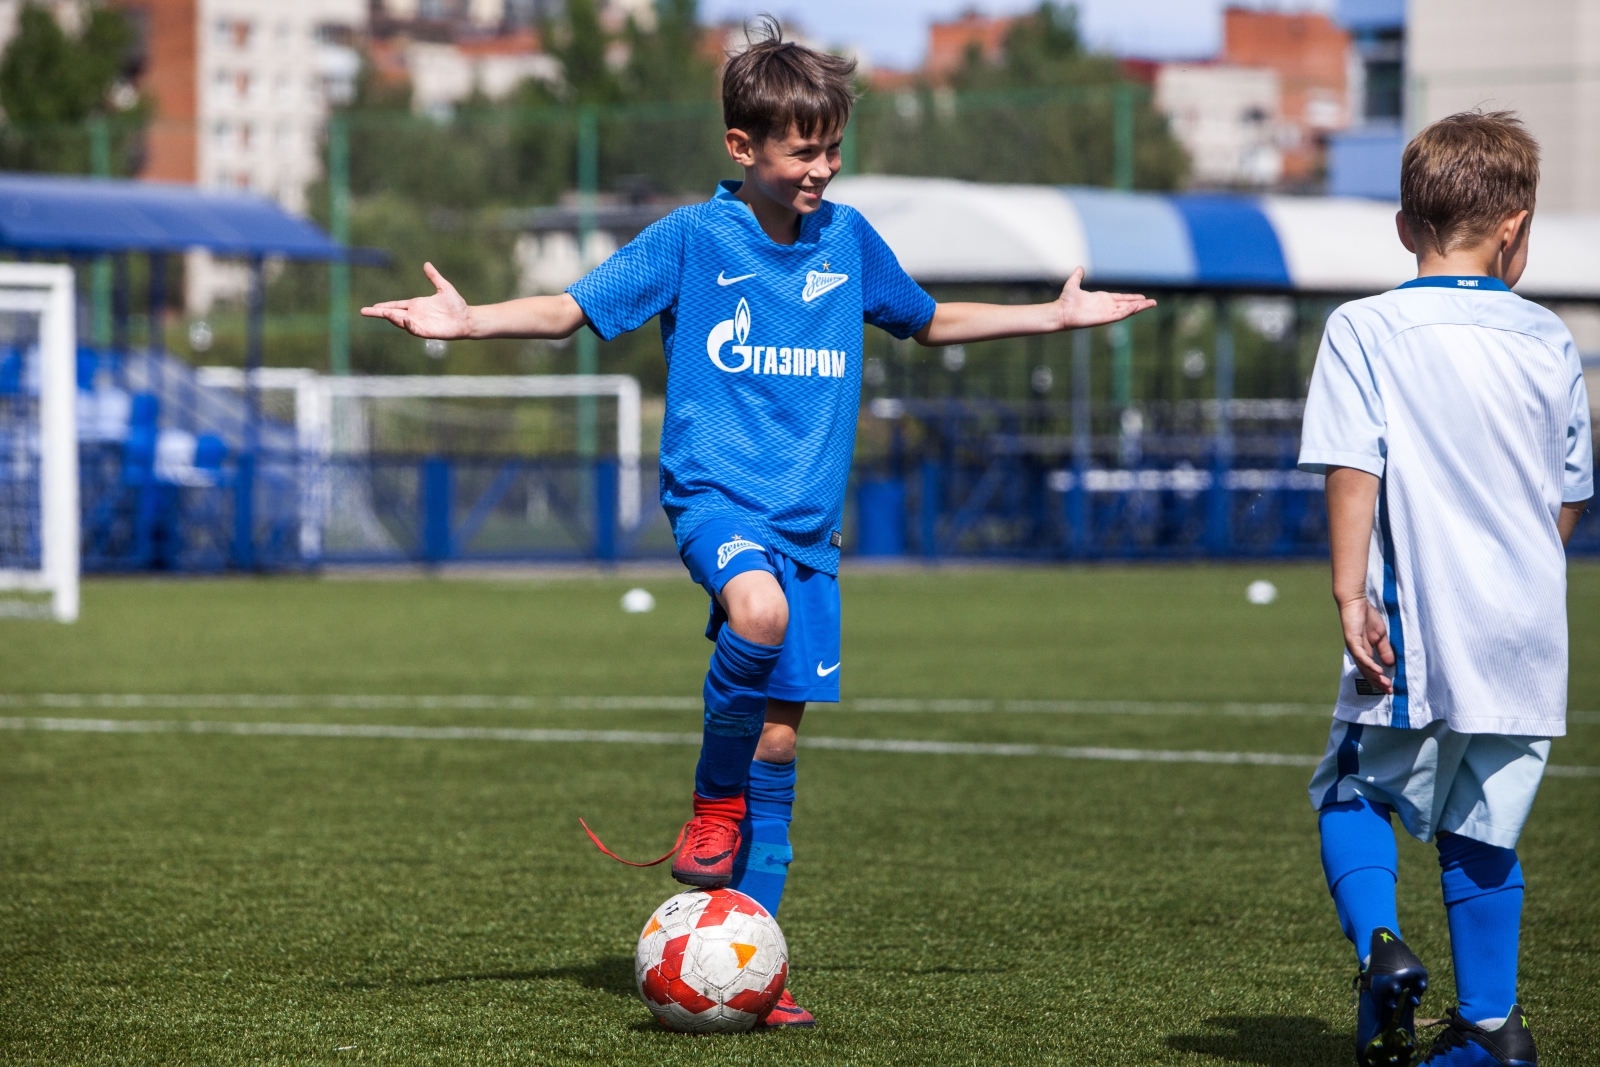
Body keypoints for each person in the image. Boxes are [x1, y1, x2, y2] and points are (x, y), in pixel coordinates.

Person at [362, 22, 1154, 1029]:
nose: (820, 168)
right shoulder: (694, 239)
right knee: (757, 612)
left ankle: (754, 962)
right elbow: (569, 309)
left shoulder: (848, 238)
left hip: (808, 529)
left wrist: (1049, 316)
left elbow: (924, 318)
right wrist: (470, 322)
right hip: (718, 502)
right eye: (800, 150)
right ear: (742, 147)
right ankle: (710, 798)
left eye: (830, 148)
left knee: (778, 742)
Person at [1298, 110, 1591, 1067]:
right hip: (1528, 633)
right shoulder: (1549, 337)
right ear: (1514, 227)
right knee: (1482, 826)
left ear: (1401, 224)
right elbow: (1568, 496)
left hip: (1420, 623)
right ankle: (1491, 1029)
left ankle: (1382, 948)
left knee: (1350, 785)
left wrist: (1351, 594)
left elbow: (1352, 467)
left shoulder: (1367, 327)